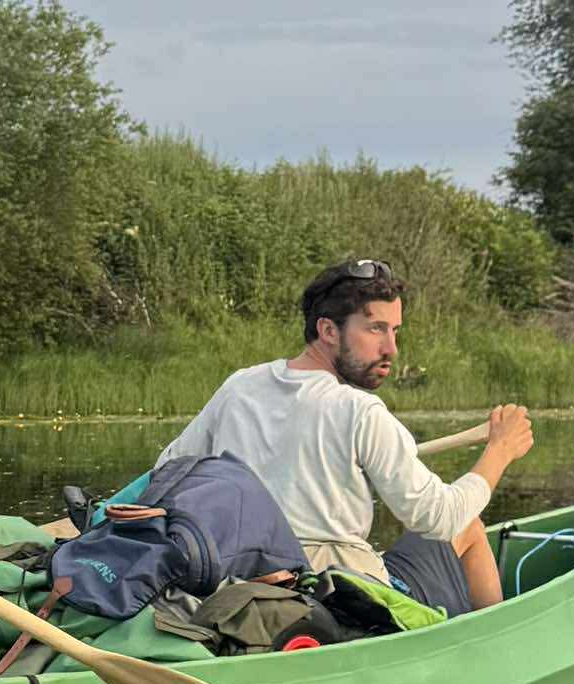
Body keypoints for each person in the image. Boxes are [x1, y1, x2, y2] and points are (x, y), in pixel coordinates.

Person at [151, 255, 533, 612]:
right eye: (375, 329)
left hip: (246, 588)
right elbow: (439, 517)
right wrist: (499, 450)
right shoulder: (359, 411)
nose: (391, 349)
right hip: (345, 596)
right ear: (328, 330)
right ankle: (494, 639)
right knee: (467, 525)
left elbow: (168, 470)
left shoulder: (240, 387)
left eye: (395, 331)